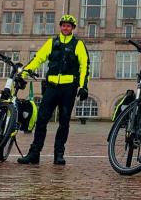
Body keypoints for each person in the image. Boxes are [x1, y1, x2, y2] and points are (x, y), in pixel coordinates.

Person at [17, 14, 90, 165]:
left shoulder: (78, 44)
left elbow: (85, 66)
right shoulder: (52, 42)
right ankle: (34, 153)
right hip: (51, 87)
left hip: (68, 88)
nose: (65, 28)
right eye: (63, 25)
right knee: (42, 120)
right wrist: (23, 73)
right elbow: (38, 58)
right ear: (60, 26)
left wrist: (83, 86)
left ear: (73, 28)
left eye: (68, 26)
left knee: (64, 122)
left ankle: (58, 154)